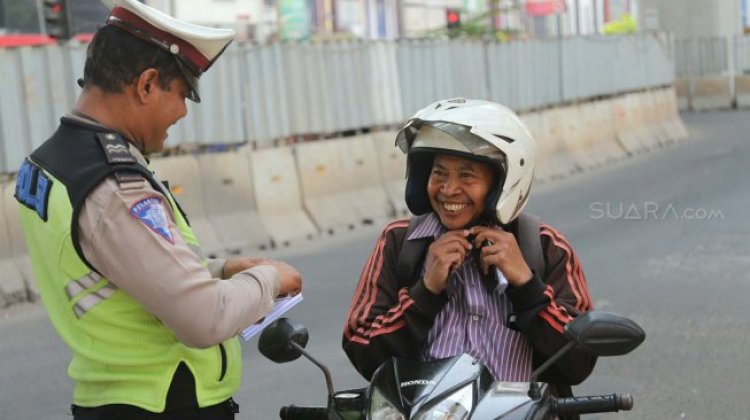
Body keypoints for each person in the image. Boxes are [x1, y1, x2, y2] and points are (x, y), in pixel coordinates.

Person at [14, 0, 301, 418]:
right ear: (147, 84)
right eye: (182, 94)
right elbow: (203, 318)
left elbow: (116, 269)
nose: (183, 112)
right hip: (160, 404)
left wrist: (219, 271)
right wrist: (270, 278)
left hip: (115, 396)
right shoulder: (115, 186)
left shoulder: (50, 162)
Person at [342, 98, 595, 400]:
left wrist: (527, 286)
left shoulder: (544, 245)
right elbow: (361, 348)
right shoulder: (399, 242)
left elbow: (578, 362)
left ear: (502, 182)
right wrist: (425, 292)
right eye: (438, 173)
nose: (448, 190)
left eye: (466, 175)